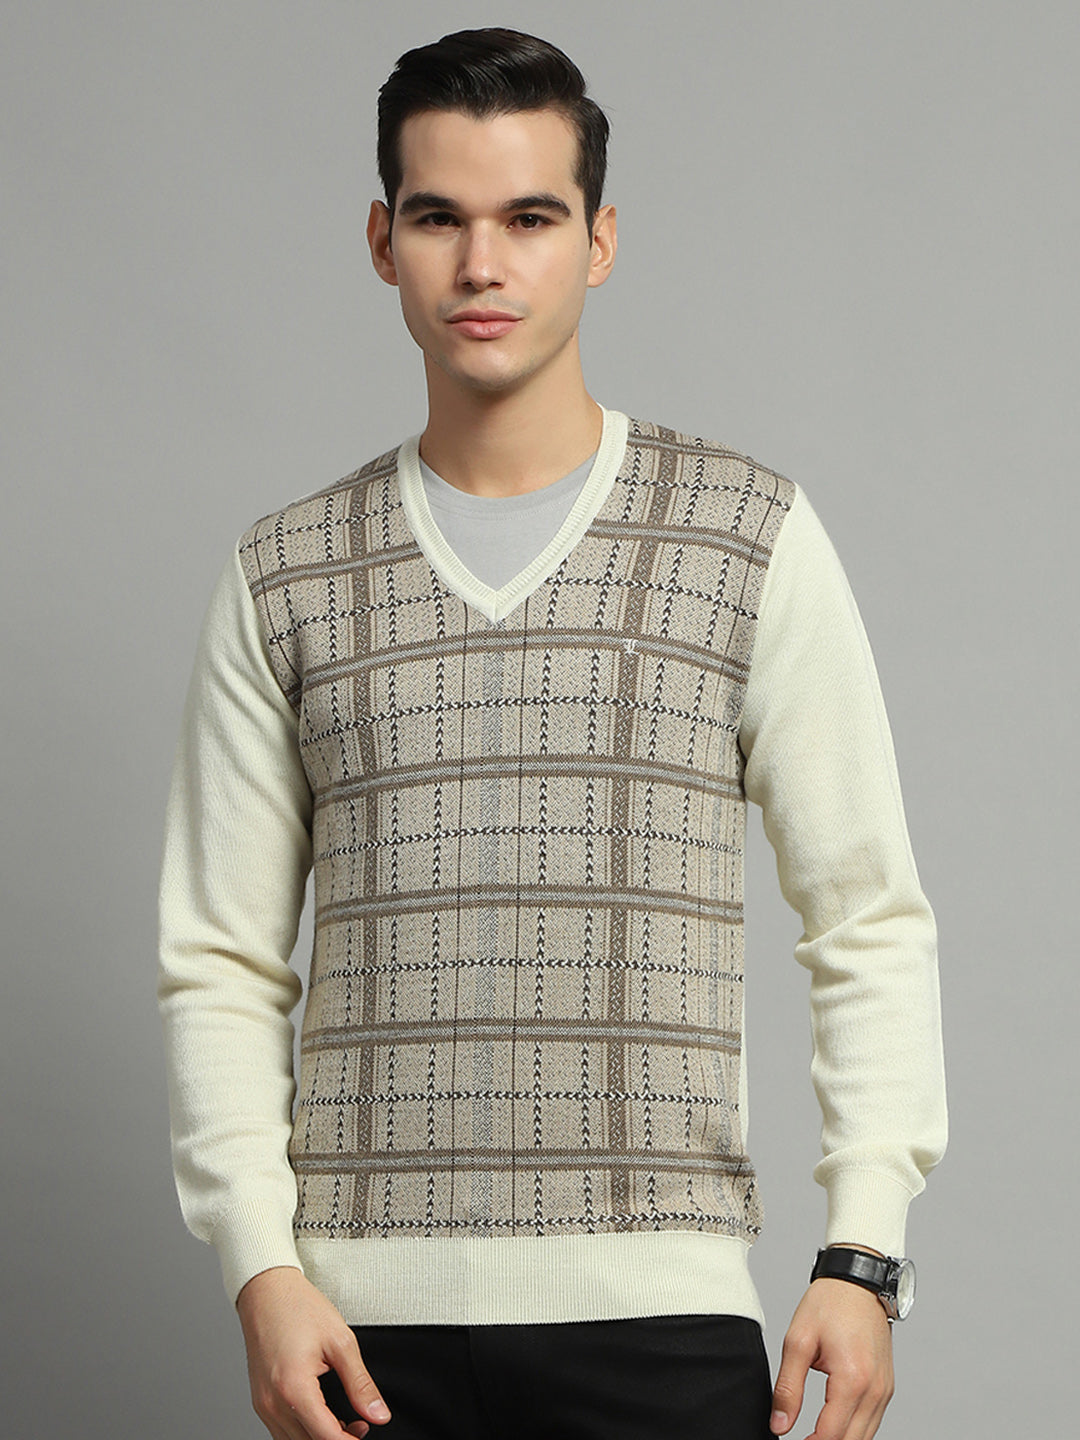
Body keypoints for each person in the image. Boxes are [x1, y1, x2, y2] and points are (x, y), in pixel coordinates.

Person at [158, 27, 946, 1440]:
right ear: (382, 242)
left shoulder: (744, 534)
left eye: (529, 217)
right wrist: (260, 1268)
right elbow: (220, 956)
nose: (483, 265)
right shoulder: (285, 573)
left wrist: (865, 1249)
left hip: (663, 1321)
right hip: (358, 1342)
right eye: (438, 218)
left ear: (600, 241)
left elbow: (867, 914)